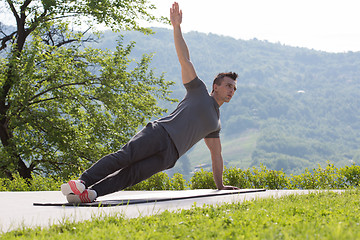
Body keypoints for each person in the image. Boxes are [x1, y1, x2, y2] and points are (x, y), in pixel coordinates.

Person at [61, 2, 239, 203]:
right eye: (228, 86)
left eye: (234, 88)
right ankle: (82, 182)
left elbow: (216, 155)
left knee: (132, 175)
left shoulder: (215, 122)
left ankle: (91, 194)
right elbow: (185, 60)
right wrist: (177, 27)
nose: (231, 90)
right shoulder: (198, 90)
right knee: (124, 157)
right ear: (215, 86)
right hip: (159, 134)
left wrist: (220, 185)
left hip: (170, 155)